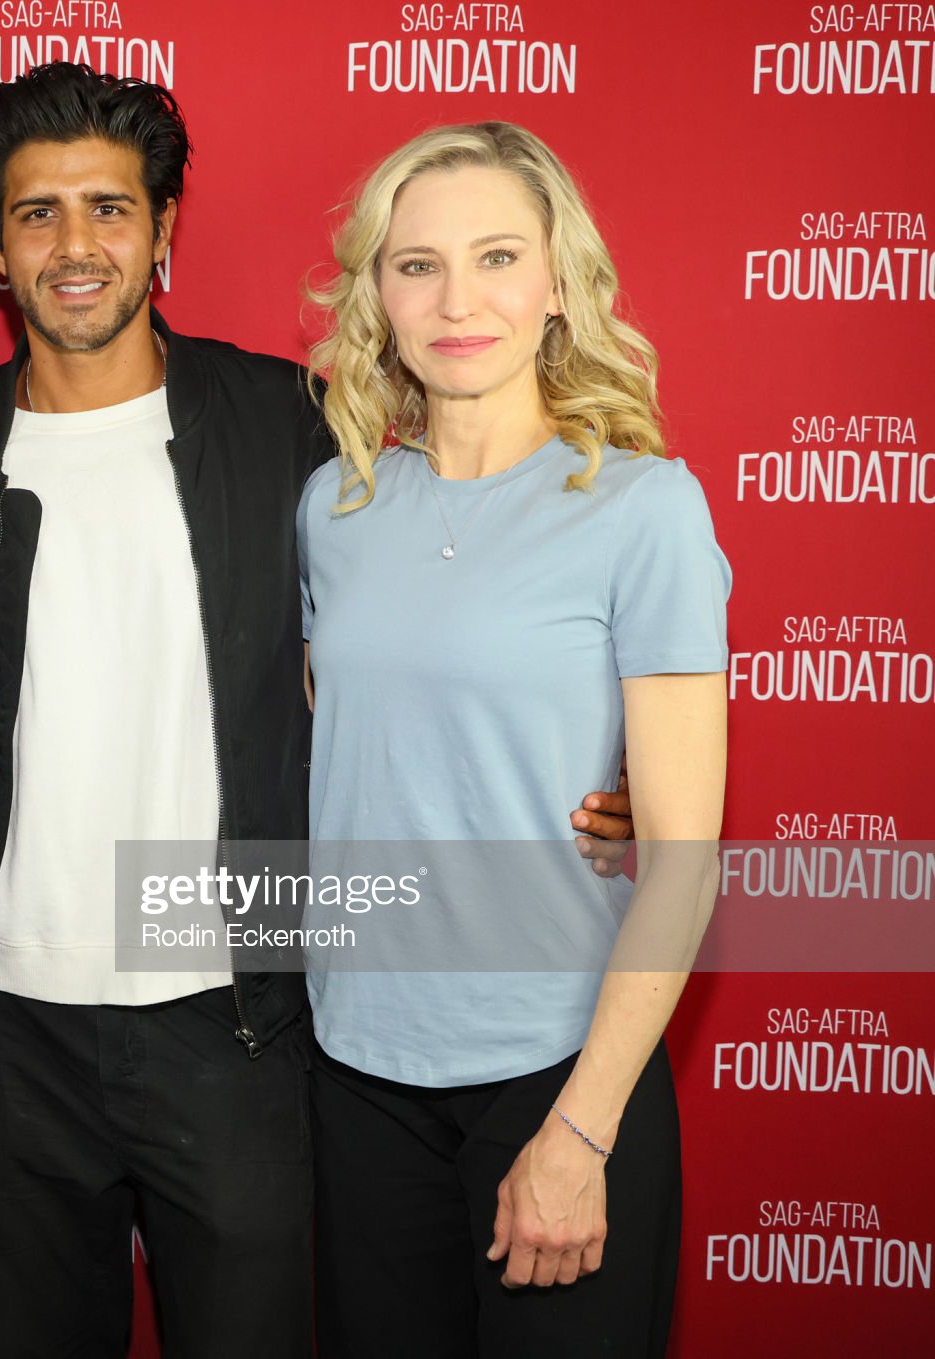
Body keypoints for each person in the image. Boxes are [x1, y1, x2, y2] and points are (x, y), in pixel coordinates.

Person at [0, 65, 639, 1358]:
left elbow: (455, 595)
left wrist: (597, 767)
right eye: (37, 214)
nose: (77, 246)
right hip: (4, 1032)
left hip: (239, 1013)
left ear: (165, 226)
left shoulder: (292, 430)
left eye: (110, 208)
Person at [297, 120, 729, 1358]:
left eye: (495, 256)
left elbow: (685, 861)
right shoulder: (332, 507)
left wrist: (581, 1131)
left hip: (557, 1070)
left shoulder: (641, 508)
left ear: (556, 284)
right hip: (357, 1078)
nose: (456, 299)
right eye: (416, 263)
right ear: (375, 291)